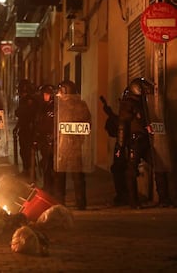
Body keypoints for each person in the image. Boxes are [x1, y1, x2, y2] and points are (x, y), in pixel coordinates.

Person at [116, 77, 172, 209]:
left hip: (147, 140)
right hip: (136, 140)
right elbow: (122, 126)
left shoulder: (145, 103)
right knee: (132, 170)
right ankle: (134, 201)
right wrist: (121, 145)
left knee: (159, 166)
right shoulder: (128, 104)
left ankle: (163, 198)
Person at [54, 80, 92, 210]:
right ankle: (80, 203)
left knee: (64, 175)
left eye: (60, 90)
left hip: (66, 145)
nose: (58, 93)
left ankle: (62, 202)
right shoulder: (79, 105)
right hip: (70, 144)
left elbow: (86, 124)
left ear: (65, 91)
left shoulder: (63, 106)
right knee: (75, 175)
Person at [99, 93, 128, 206]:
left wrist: (109, 112)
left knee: (120, 170)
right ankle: (123, 195)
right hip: (121, 146)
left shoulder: (128, 114)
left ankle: (124, 195)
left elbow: (117, 122)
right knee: (118, 169)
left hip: (124, 146)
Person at [34, 84, 56, 195]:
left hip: (52, 141)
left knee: (50, 165)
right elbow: (39, 122)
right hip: (43, 140)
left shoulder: (55, 108)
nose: (45, 96)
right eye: (44, 94)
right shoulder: (43, 106)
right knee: (45, 164)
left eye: (47, 94)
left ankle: (51, 187)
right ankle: (47, 186)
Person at [13, 79, 38, 178]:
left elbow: (24, 113)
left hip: (30, 129)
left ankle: (31, 172)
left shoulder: (30, 100)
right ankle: (26, 169)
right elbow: (21, 116)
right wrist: (17, 127)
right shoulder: (23, 100)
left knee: (29, 152)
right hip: (24, 129)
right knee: (23, 151)